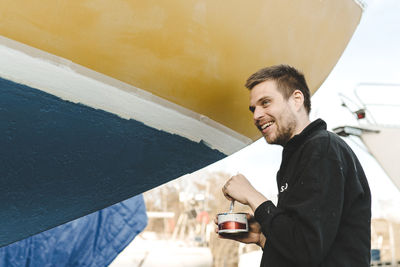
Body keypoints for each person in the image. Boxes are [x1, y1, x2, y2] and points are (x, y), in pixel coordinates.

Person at [217, 65, 371, 266]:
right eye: (254, 109)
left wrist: (252, 196)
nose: (256, 115)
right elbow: (302, 245)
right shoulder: (298, 156)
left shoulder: (322, 148)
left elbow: (306, 249)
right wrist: (263, 237)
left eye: (265, 103)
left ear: (297, 100)